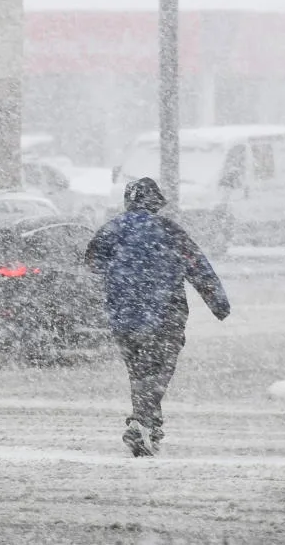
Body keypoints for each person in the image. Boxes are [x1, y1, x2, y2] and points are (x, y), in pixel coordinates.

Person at [85, 177, 230, 457]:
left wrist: (118, 284)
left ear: (128, 201)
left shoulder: (111, 230)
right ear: (157, 202)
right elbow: (198, 266)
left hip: (124, 316)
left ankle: (149, 425)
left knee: (139, 372)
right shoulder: (169, 230)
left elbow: (92, 266)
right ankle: (141, 423)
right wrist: (218, 304)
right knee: (159, 372)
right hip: (165, 313)